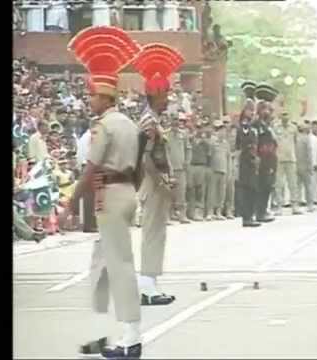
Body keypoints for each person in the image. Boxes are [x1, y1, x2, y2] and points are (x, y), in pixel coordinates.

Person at [67, 26, 143, 359]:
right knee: (101, 262)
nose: (89, 100)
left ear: (104, 96)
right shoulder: (128, 123)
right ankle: (98, 328)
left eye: (92, 95)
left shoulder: (104, 126)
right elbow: (138, 166)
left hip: (109, 194)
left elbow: (91, 168)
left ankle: (131, 335)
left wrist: (71, 203)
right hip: (125, 191)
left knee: (119, 263)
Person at [131, 43, 185, 311]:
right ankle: (147, 287)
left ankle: (150, 282)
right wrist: (163, 180)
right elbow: (146, 158)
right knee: (153, 233)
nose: (168, 100)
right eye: (165, 95)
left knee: (157, 233)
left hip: (158, 183)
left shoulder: (154, 119)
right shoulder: (149, 122)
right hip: (153, 185)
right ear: (155, 94)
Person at [252, 84, 279, 223]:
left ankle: (263, 211)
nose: (269, 112)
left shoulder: (268, 127)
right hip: (262, 159)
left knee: (268, 186)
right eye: (266, 109)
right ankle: (260, 212)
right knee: (263, 186)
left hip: (270, 159)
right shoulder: (257, 125)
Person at [236, 95, 261, 227]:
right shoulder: (244, 126)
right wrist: (252, 157)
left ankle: (250, 215)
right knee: (248, 189)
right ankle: (247, 217)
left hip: (252, 161)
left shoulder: (251, 126)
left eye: (253, 110)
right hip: (246, 161)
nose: (252, 113)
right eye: (250, 110)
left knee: (252, 189)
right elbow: (245, 143)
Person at [274, 111, 301, 215]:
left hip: (291, 158)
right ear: (280, 116)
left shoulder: (293, 128)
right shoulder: (276, 127)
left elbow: (296, 142)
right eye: (283, 114)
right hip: (279, 158)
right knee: (279, 184)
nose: (285, 116)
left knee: (293, 183)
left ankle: (295, 205)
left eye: (287, 114)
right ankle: (279, 206)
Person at [167, 115, 191, 224]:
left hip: (181, 168)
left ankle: (182, 215)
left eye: (177, 120)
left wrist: (187, 161)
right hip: (169, 169)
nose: (175, 123)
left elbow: (188, 149)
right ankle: (168, 215)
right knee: (168, 193)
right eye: (173, 120)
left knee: (181, 192)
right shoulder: (165, 134)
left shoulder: (183, 134)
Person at [186, 121, 211, 221]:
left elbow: (209, 154)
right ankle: (191, 212)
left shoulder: (205, 143)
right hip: (191, 165)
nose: (198, 130)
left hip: (201, 166)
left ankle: (199, 211)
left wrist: (203, 140)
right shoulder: (190, 140)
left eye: (200, 128)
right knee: (191, 189)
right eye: (197, 127)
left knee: (200, 189)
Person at [208, 119, 230, 220]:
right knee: (212, 191)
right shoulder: (212, 142)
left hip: (223, 169)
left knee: (221, 192)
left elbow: (228, 157)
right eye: (220, 130)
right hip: (214, 169)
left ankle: (218, 212)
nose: (222, 133)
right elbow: (209, 155)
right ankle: (210, 212)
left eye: (224, 131)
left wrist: (228, 171)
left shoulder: (226, 144)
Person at [296, 121, 315, 213]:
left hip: (296, 165)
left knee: (297, 187)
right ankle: (310, 205)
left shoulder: (295, 138)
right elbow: (309, 153)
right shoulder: (306, 139)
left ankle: (297, 204)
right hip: (305, 165)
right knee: (308, 186)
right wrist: (310, 166)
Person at [223, 115, 237, 219]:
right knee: (222, 186)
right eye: (224, 122)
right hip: (221, 160)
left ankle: (230, 209)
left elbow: (240, 148)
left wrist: (233, 155)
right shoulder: (219, 134)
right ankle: (221, 209)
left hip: (232, 160)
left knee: (230, 186)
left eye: (227, 122)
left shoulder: (235, 134)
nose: (225, 124)